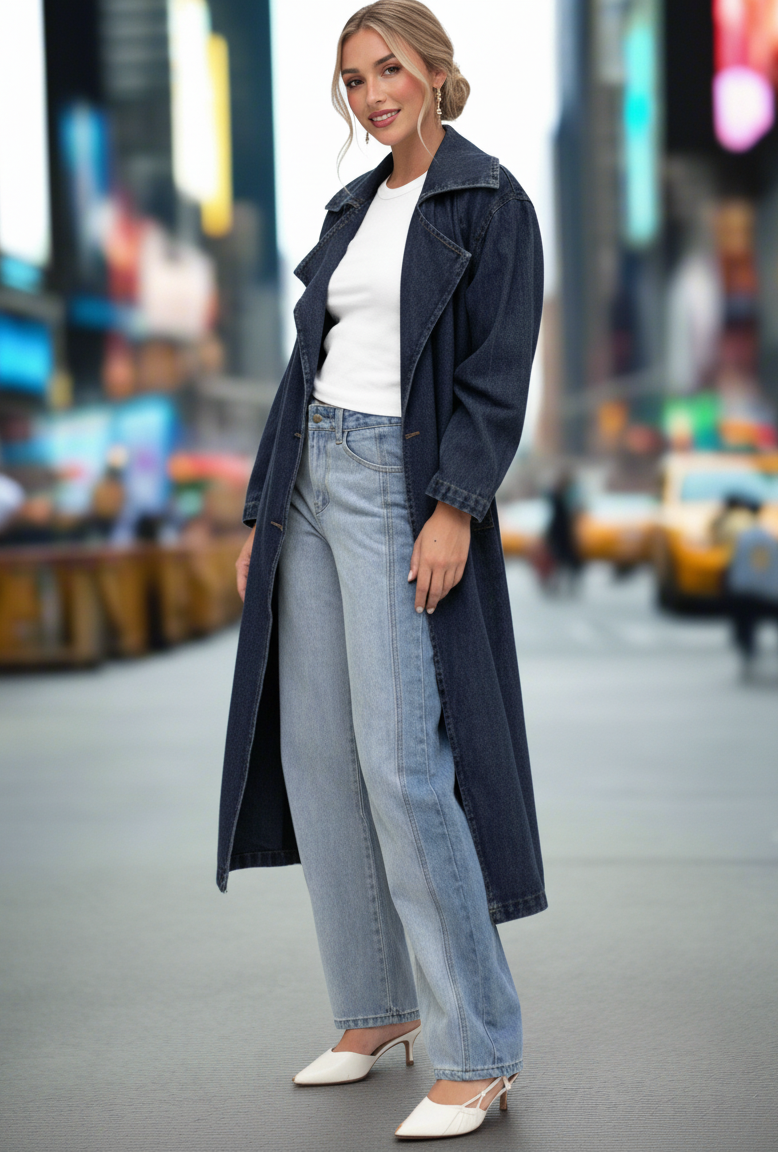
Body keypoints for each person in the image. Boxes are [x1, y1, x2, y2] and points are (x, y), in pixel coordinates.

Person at [218, 2, 546, 1141]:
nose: (372, 93)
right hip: (310, 471)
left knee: (406, 765)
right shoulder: (352, 205)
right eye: (354, 77)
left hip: (395, 487)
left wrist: (453, 504)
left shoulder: (489, 201)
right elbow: (303, 362)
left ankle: (478, 1048)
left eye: (390, 69)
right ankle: (373, 1008)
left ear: (437, 73)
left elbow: (495, 378)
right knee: (320, 757)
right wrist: (265, 510)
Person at [719, 496, 778, 678]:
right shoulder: (773, 538)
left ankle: (747, 648)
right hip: (777, 599)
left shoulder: (740, 536)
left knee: (739, 605)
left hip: (747, 598)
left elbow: (732, 568)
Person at [543, 470, 582, 594]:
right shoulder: (562, 495)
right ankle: (559, 585)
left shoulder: (564, 494)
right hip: (562, 531)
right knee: (560, 561)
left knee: (562, 560)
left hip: (562, 531)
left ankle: (560, 585)